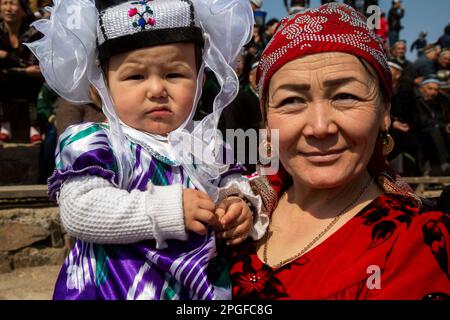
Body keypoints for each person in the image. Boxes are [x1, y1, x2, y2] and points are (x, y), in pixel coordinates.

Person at [29, 0, 267, 300]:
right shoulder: (97, 141)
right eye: (135, 77)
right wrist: (164, 210)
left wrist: (237, 203)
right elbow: (79, 209)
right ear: (99, 87)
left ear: (200, 80)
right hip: (113, 288)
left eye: (174, 74)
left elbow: (232, 180)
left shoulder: (206, 142)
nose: (156, 90)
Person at [229, 3, 450, 300]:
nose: (320, 127)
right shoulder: (231, 216)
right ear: (266, 120)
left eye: (345, 96)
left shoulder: (420, 241)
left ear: (384, 110)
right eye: (292, 100)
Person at [0, 0, 43, 143]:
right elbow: (26, 69)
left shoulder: (33, 32)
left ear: (23, 10)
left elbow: (34, 67)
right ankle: (4, 122)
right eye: (4, 3)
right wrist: (22, 70)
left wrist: (6, 57)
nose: (8, 9)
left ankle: (34, 124)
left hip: (31, 82)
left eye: (12, 3)